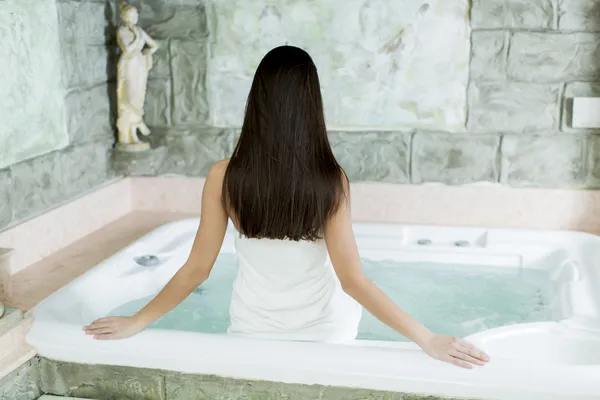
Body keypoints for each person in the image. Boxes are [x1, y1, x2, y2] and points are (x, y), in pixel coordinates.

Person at [84, 45, 489, 369]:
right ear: (311, 106)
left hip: (251, 332)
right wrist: (428, 339)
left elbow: (197, 268)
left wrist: (137, 320)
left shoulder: (224, 176)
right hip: (326, 333)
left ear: (256, 103)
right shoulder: (330, 180)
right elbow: (354, 282)